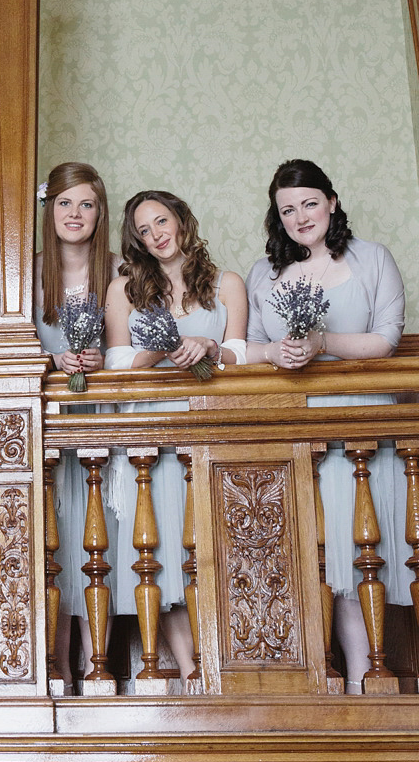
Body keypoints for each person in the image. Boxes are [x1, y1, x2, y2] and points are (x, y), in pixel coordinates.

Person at [245, 158, 407, 691]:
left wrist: (322, 344)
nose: (300, 217)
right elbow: (244, 346)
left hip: (364, 425)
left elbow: (386, 339)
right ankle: (325, 680)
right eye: (287, 209)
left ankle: (370, 675)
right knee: (316, 556)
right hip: (294, 426)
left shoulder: (372, 259)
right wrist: (276, 352)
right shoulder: (264, 273)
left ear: (332, 203)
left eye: (309, 203)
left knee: (362, 551)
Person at [105, 191, 247, 683]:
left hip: (211, 428)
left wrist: (209, 346)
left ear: (182, 221)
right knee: (159, 552)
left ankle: (224, 658)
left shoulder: (226, 283)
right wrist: (158, 350)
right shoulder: (124, 290)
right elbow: (116, 366)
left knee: (213, 548)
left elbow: (242, 357)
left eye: (161, 221)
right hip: (151, 433)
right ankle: (189, 667)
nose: (155, 234)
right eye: (143, 230)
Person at [34, 161, 117, 686]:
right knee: (54, 540)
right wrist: (51, 363)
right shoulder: (28, 271)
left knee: (104, 537)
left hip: (101, 416)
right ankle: (54, 663)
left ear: (99, 212)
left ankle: (100, 661)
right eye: (65, 203)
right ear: (50, 209)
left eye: (86, 204)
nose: (75, 213)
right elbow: (9, 349)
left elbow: (135, 342)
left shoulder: (118, 269)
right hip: (46, 419)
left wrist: (100, 361)